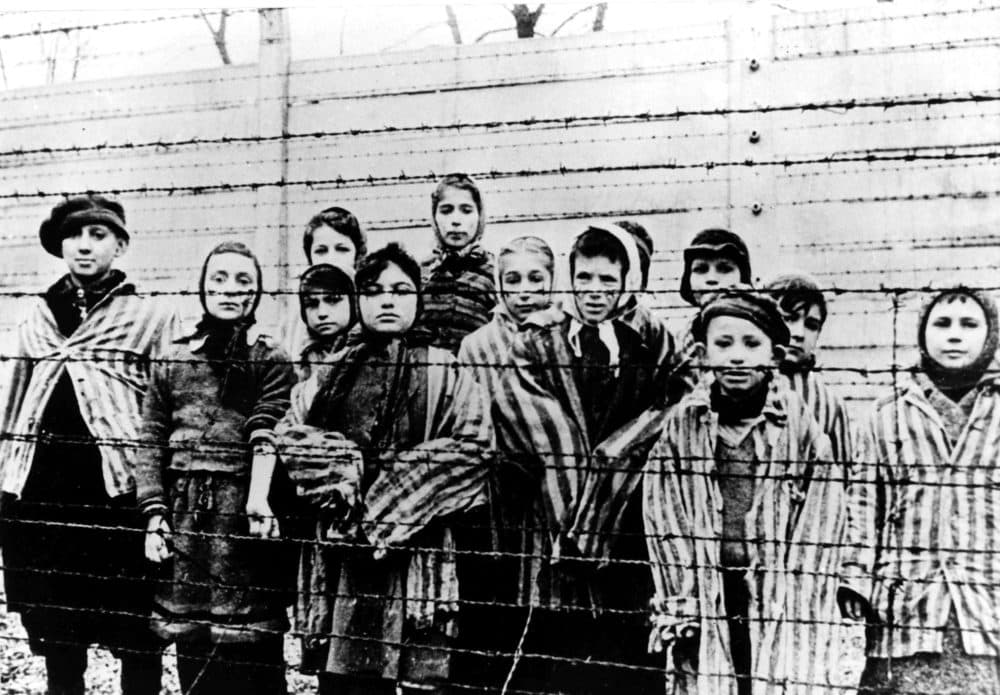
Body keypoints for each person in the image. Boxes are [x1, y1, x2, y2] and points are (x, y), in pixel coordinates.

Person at [276, 242, 492, 695]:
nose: (388, 300)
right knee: (347, 677)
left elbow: (475, 448)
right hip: (342, 552)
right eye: (374, 291)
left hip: (420, 550)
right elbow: (292, 433)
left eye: (401, 290)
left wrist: (400, 491)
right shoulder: (329, 371)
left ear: (419, 298)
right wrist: (341, 471)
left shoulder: (444, 369)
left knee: (418, 679)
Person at [0, 195, 179, 695]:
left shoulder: (148, 316)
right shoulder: (37, 317)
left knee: (135, 636)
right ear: (60, 245)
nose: (85, 245)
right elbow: (12, 407)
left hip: (117, 501)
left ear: (120, 245)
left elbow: (166, 405)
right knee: (60, 640)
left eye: (98, 235)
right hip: (45, 499)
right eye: (75, 235)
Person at [492, 224, 673, 695]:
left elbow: (670, 404)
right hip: (556, 515)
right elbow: (538, 426)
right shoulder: (538, 339)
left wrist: (619, 460)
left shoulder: (650, 339)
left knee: (624, 646)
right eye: (584, 278)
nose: (595, 292)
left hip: (627, 517)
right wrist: (581, 506)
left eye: (607, 281)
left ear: (626, 280)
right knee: (559, 645)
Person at [644, 288, 845, 695]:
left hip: (777, 593)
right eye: (724, 344)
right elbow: (663, 511)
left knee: (773, 679)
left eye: (751, 344)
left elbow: (823, 518)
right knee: (711, 679)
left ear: (773, 355)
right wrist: (680, 596)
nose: (737, 356)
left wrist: (802, 598)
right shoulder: (684, 428)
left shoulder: (798, 429)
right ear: (703, 353)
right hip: (707, 589)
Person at [135, 241, 297, 695]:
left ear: (258, 292)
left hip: (243, 518)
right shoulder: (173, 358)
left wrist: (258, 502)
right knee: (194, 647)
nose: (230, 290)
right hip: (187, 519)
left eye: (243, 281)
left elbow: (274, 428)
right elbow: (149, 439)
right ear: (203, 290)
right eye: (218, 280)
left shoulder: (271, 358)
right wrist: (154, 514)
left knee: (253, 652)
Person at [841, 287, 1000, 695]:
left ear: (991, 336)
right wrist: (856, 577)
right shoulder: (887, 414)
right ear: (922, 334)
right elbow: (863, 500)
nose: (954, 335)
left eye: (969, 325)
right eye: (942, 323)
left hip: (985, 603)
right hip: (904, 606)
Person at [456, 235, 558, 693]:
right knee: (494, 609)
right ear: (498, 285)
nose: (524, 291)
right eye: (512, 280)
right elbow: (468, 417)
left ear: (554, 283)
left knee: (542, 610)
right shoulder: (477, 346)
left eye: (536, 279)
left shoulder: (563, 339)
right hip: (497, 493)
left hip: (553, 493)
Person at [764, 274, 852, 460]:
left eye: (811, 325)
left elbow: (841, 477)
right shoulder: (739, 380)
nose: (798, 334)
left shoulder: (830, 403)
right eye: (789, 318)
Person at [419, 173, 497, 353]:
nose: (456, 220)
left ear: (479, 216)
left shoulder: (495, 273)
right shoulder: (419, 274)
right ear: (434, 217)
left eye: (466, 210)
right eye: (446, 210)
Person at [672, 228, 753, 396]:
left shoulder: (757, 334)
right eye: (700, 269)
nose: (711, 279)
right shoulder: (680, 340)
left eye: (724, 268)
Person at [283, 206, 367, 366]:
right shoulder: (295, 319)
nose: (331, 259)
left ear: (357, 255)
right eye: (321, 251)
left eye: (342, 249)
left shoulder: (369, 310)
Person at [297, 263, 357, 379]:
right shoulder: (305, 357)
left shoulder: (369, 353)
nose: (322, 313)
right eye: (311, 304)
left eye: (333, 300)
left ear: (353, 303)